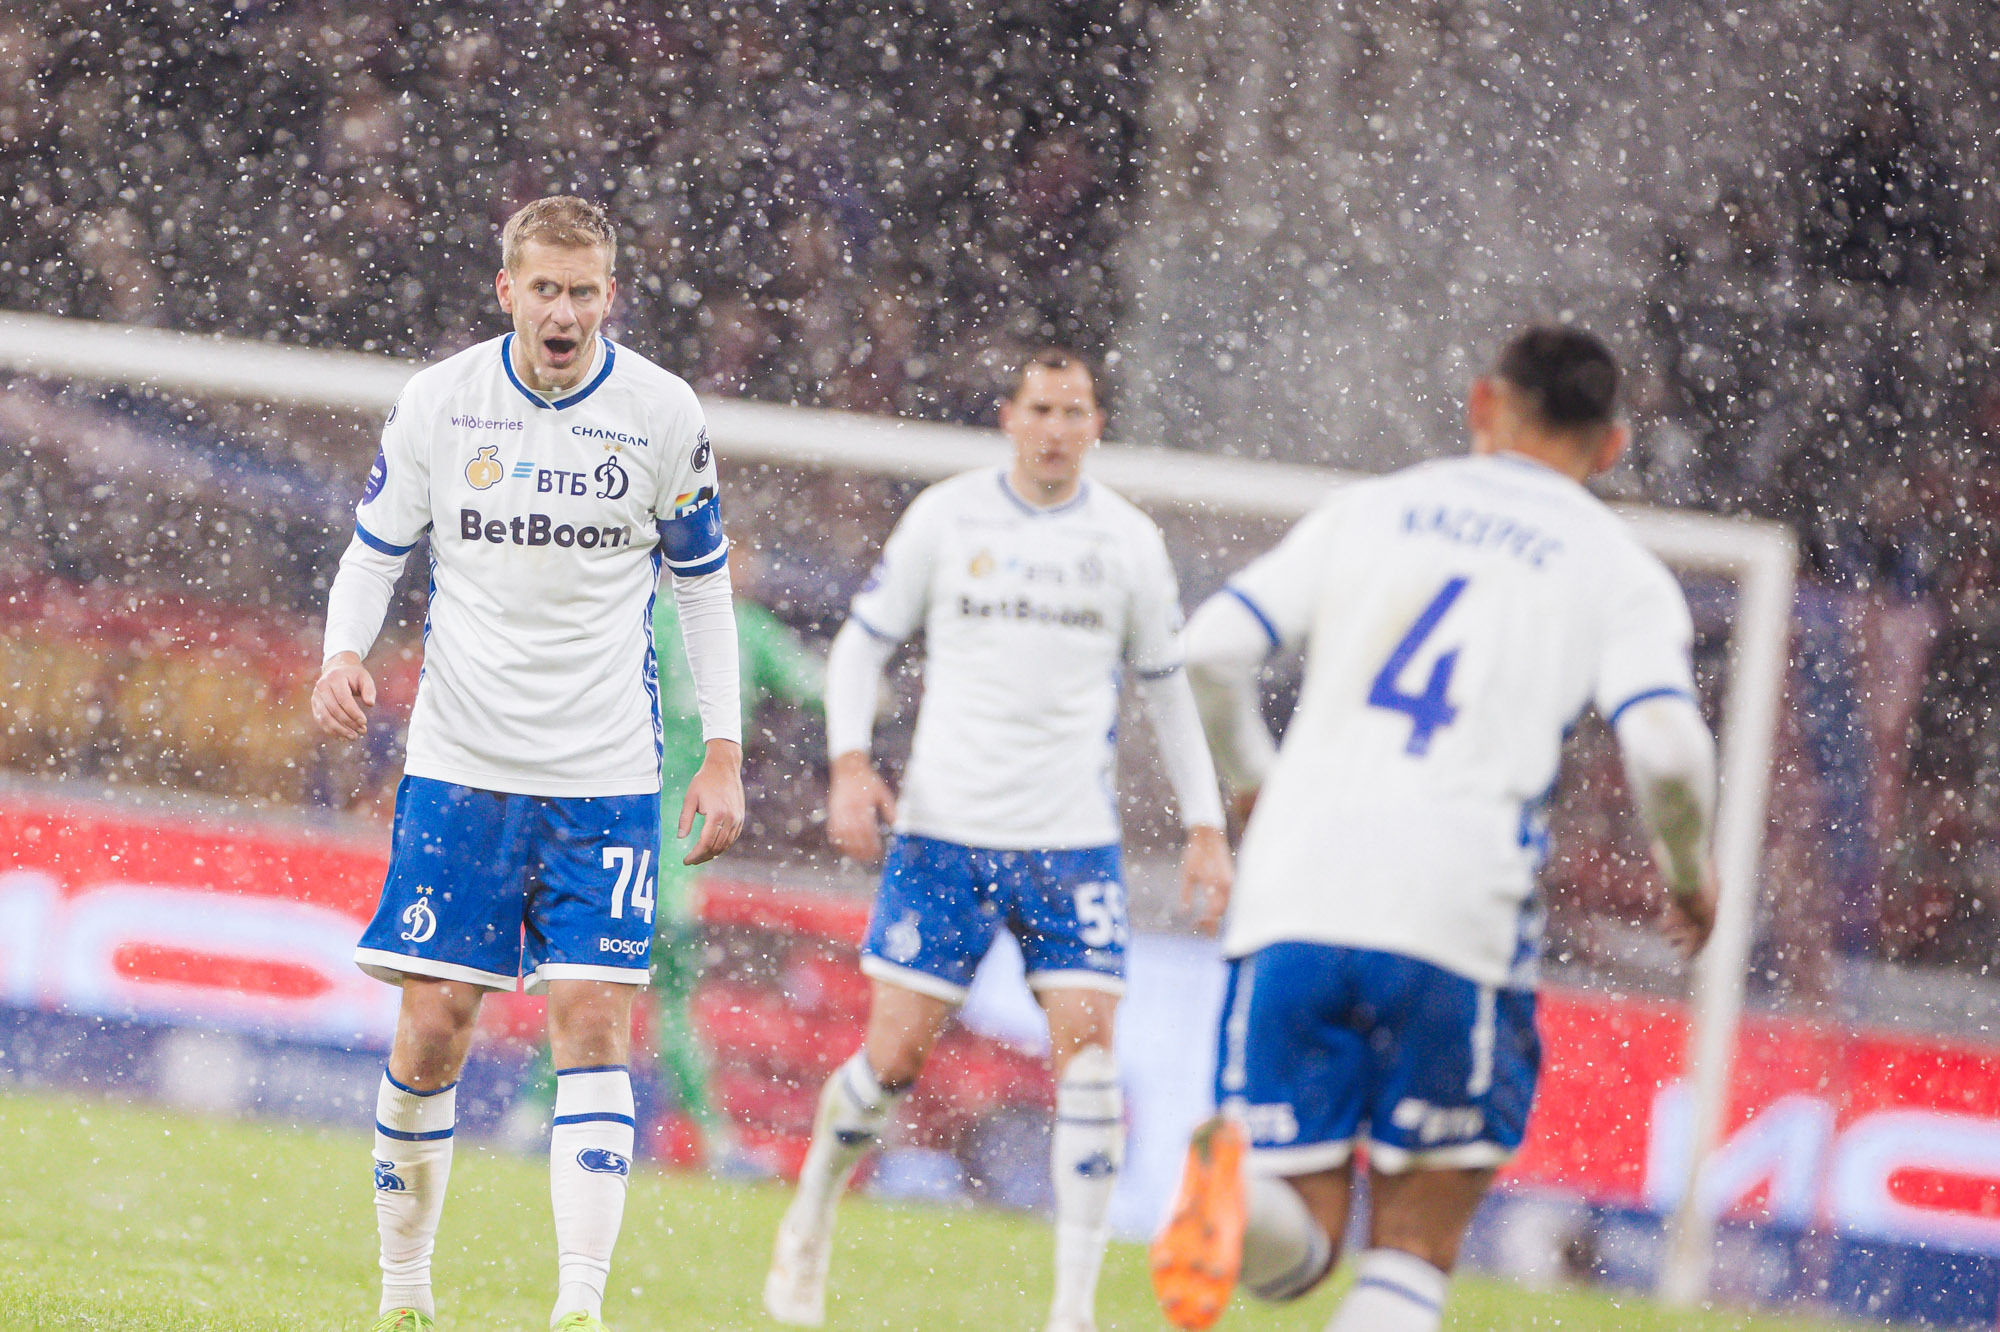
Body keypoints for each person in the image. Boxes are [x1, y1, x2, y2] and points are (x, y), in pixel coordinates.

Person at [1148, 327, 1720, 1332]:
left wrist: (1251, 784)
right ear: (1611, 445)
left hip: (1295, 892)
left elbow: (1208, 650)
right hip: (1453, 909)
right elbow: (1668, 751)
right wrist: (1686, 871)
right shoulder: (1614, 567)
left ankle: (1238, 1203)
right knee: (1413, 1246)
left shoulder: (1370, 511)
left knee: (1302, 1243)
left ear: (1481, 404)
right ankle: (1252, 1211)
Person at [310, 195, 747, 1332]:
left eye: (582, 291)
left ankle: (578, 1308)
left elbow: (703, 590)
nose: (563, 311)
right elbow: (375, 551)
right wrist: (342, 653)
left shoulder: (661, 412)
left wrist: (724, 752)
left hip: (606, 775)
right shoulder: (442, 400)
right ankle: (404, 1296)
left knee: (594, 1024)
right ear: (506, 290)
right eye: (544, 288)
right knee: (435, 1022)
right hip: (461, 766)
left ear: (611, 296)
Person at [763, 348, 1234, 1332]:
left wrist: (1205, 824)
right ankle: (810, 1215)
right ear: (1009, 418)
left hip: (1072, 845)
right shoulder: (947, 518)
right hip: (945, 837)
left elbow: (1167, 689)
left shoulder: (1128, 542)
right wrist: (849, 765)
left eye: (1073, 412)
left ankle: (1072, 1310)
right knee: (890, 1066)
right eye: (1040, 409)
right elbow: (860, 644)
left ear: (1096, 425)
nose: (1055, 429)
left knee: (1090, 1068)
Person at [509, 553, 824, 1163]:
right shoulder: (742, 627)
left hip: (615, 836)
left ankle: (533, 1117)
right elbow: (815, 688)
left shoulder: (644, 614)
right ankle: (712, 1140)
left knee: (591, 985)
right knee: (668, 1003)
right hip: (681, 856)